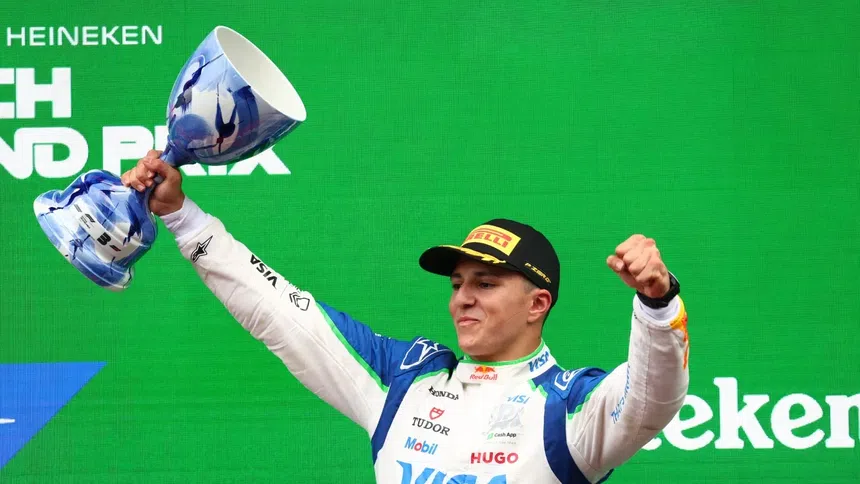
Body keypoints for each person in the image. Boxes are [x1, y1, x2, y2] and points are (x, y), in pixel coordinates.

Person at [121, 150, 690, 484]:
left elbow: (654, 399)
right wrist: (183, 218)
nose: (462, 298)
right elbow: (282, 312)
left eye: (486, 284)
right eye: (458, 284)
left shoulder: (568, 406)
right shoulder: (407, 379)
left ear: (537, 304)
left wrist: (657, 302)